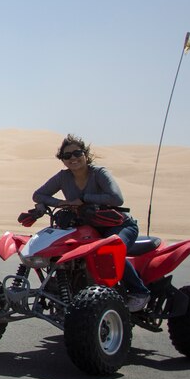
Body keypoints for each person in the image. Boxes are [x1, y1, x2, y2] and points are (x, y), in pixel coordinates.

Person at [22, 133, 152, 311]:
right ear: (63, 160)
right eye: (67, 156)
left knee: (112, 249)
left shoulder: (98, 173)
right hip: (85, 226)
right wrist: (61, 203)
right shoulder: (63, 177)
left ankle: (139, 292)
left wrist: (84, 198)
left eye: (77, 153)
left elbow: (116, 198)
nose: (73, 158)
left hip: (117, 224)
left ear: (85, 154)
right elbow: (38, 195)